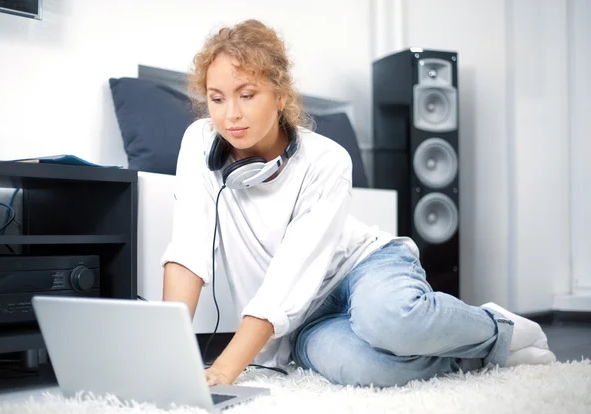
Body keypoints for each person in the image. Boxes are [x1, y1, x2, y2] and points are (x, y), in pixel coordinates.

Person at [161, 19, 556, 388]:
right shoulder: (200, 144)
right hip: (305, 317)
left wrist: (226, 367)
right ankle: (473, 360)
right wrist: (170, 356)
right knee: (367, 368)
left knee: (391, 321)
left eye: (247, 95)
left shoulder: (327, 160)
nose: (231, 115)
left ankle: (495, 327)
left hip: (360, 266)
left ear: (279, 95)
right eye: (217, 99)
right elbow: (188, 251)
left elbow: (289, 272)